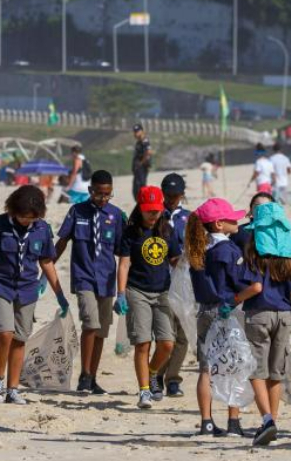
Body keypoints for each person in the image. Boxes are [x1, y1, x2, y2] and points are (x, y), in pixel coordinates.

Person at [0, 185, 68, 405]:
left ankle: (13, 389)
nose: (25, 221)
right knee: (4, 333)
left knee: (20, 339)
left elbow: (47, 262)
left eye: (30, 218)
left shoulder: (42, 229)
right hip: (0, 285)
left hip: (27, 289)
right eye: (22, 216)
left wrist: (59, 293)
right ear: (13, 210)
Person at [182, 198, 261, 436]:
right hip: (228, 310)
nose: (236, 220)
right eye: (230, 218)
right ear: (218, 224)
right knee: (233, 366)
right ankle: (233, 422)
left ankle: (206, 421)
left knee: (206, 368)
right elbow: (241, 282)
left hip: (204, 310)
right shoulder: (228, 250)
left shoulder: (197, 250)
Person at [240, 202, 291, 447]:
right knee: (276, 372)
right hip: (284, 316)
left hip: (258, 314)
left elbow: (255, 287)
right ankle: (274, 421)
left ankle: (267, 419)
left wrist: (233, 300)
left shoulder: (254, 253)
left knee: (256, 371)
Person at [55, 170, 125, 394]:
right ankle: (84, 375)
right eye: (99, 194)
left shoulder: (116, 216)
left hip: (106, 280)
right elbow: (62, 241)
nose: (103, 199)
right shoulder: (77, 211)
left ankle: (93, 378)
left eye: (107, 195)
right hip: (83, 276)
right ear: (90, 190)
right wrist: (47, 269)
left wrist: (125, 289)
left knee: (102, 331)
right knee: (90, 323)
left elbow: (123, 252)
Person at [116, 186, 181, 409]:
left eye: (156, 210)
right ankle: (144, 390)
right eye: (148, 211)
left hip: (163, 292)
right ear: (140, 209)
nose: (153, 215)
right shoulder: (130, 232)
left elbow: (174, 259)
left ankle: (153, 372)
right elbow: (124, 264)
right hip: (137, 291)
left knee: (167, 343)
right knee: (142, 343)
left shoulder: (167, 230)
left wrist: (187, 261)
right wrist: (121, 293)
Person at [156, 173, 190, 398]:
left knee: (183, 335)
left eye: (176, 196)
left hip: (185, 282)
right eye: (168, 195)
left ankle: (173, 378)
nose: (171, 200)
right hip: (160, 281)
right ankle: (156, 374)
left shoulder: (189, 218)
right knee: (164, 334)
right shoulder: (154, 215)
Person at [132, 124, 152, 200]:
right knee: (136, 188)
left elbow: (148, 152)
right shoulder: (139, 142)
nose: (135, 133)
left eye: (137, 131)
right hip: (138, 168)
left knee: (141, 186)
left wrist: (141, 163)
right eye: (134, 131)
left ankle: (143, 201)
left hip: (142, 168)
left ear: (142, 131)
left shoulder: (145, 141)